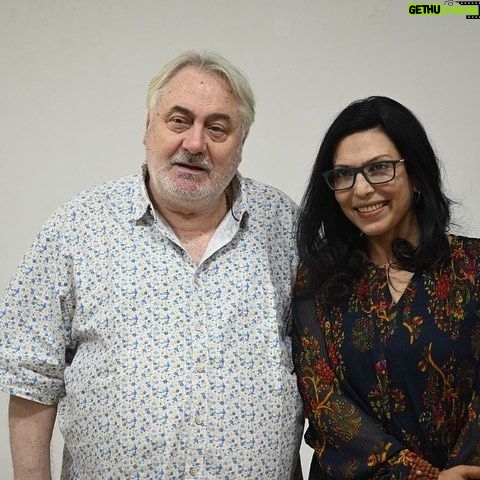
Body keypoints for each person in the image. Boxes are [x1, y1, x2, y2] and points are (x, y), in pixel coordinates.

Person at [0, 51, 304, 479]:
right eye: (179, 121)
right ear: (148, 126)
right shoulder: (78, 227)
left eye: (217, 128)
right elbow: (32, 378)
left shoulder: (284, 226)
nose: (195, 144)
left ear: (241, 143)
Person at [293, 96, 480, 480]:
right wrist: (422, 477)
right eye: (344, 174)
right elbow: (324, 401)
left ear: (416, 174)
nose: (361, 189)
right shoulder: (318, 281)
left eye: (379, 168)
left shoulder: (473, 267)